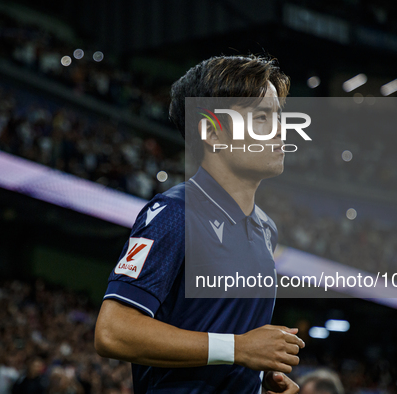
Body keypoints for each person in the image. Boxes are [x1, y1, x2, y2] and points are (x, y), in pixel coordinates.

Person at [95, 54, 304, 394]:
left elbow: (227, 344)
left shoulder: (267, 229)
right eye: (261, 117)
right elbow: (113, 332)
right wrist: (239, 348)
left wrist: (258, 384)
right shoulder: (175, 213)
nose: (281, 129)